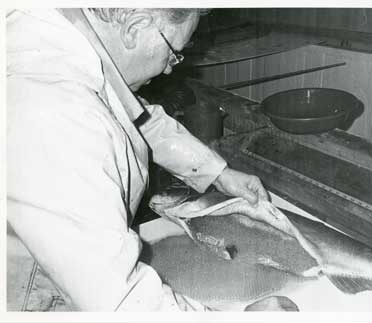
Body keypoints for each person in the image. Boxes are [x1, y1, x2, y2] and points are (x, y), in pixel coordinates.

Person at [7, 8, 270, 311]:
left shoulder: (69, 40)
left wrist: (219, 173)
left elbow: (134, 117)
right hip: (35, 296)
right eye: (173, 52)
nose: (171, 69)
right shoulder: (57, 112)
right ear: (134, 27)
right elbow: (120, 301)